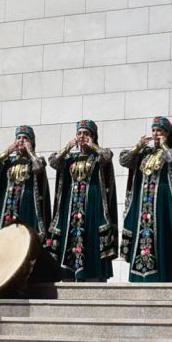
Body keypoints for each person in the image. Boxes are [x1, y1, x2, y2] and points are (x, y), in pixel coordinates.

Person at [119, 116, 172, 284]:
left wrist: (165, 144)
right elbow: (124, 161)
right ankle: (140, 279)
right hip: (143, 205)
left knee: (162, 238)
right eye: (153, 130)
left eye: (159, 130)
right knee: (143, 239)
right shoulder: (143, 153)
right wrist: (137, 147)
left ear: (168, 133)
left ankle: (164, 277)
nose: (155, 133)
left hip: (162, 206)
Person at [46, 119, 118, 281]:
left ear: (93, 136)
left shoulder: (97, 156)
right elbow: (53, 162)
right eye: (79, 133)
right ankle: (69, 274)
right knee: (71, 238)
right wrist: (67, 147)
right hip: (71, 206)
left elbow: (108, 156)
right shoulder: (70, 158)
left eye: (86, 134)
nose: (82, 136)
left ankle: (91, 274)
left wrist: (92, 146)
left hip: (92, 204)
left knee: (90, 236)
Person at [0, 125, 52, 253]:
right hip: (7, 207)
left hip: (26, 206)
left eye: (25, 138)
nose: (21, 141)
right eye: (18, 138)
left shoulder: (34, 160)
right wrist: (6, 152)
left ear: (32, 141)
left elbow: (39, 167)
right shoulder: (8, 161)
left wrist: (30, 152)